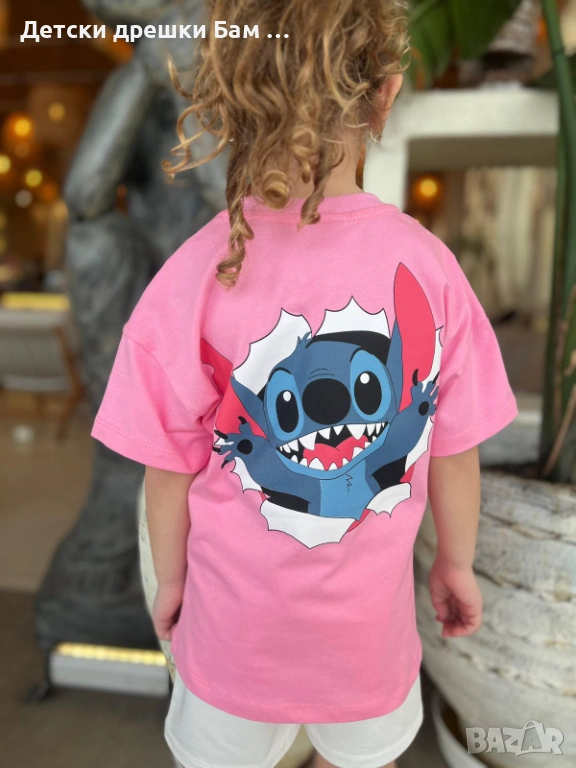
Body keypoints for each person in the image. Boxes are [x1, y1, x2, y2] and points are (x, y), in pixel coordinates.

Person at [91, 1, 518, 766]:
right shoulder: (429, 269)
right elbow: (456, 451)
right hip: (367, 652)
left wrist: (170, 586)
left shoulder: (195, 272)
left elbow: (167, 473)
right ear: (385, 93)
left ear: (234, 99)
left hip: (229, 646)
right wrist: (455, 564)